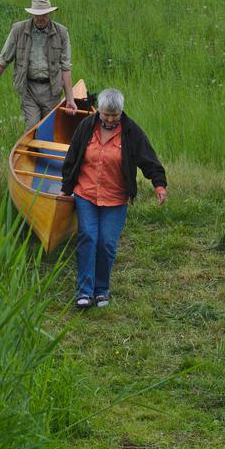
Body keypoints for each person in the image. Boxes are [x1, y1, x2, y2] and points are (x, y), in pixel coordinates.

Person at [61, 88, 168, 309]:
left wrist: (159, 184)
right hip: (86, 193)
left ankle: (102, 290)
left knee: (107, 243)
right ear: (98, 110)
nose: (110, 119)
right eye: (106, 114)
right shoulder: (86, 127)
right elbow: (72, 158)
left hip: (115, 197)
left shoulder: (131, 132)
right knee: (88, 237)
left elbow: (148, 158)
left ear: (121, 112)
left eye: (114, 115)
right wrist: (65, 188)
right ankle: (85, 291)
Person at [0, 0, 78, 130]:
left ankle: (43, 150)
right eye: (36, 15)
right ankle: (28, 149)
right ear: (32, 14)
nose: (40, 18)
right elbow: (3, 61)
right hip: (29, 88)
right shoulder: (18, 30)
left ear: (50, 13)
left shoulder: (61, 32)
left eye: (44, 14)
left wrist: (70, 99)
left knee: (48, 129)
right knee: (32, 126)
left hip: (52, 89)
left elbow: (65, 67)